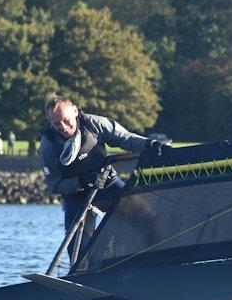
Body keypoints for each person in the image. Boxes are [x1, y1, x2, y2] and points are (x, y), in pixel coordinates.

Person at [38, 94, 168, 258]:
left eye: (65, 120)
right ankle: (84, 277)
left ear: (75, 111)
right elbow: (55, 185)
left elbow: (125, 138)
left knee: (148, 219)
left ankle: (155, 257)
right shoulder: (47, 145)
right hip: (76, 197)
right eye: (56, 124)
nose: (63, 127)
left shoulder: (95, 124)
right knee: (78, 255)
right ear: (50, 122)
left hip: (107, 185)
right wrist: (82, 181)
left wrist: (149, 144)